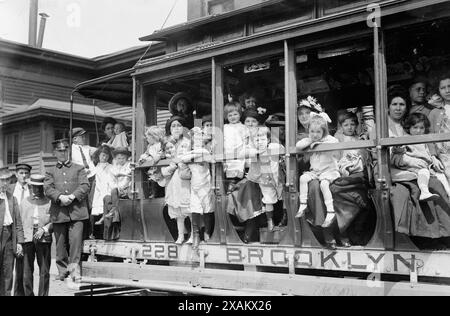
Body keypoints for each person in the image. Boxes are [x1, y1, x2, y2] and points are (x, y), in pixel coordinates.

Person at [44, 139, 90, 283]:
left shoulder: (79, 168)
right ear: (54, 153)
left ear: (68, 151)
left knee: (75, 243)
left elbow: (85, 185)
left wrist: (72, 196)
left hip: (77, 212)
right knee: (60, 244)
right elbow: (47, 188)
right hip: (59, 212)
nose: (62, 153)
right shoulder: (50, 170)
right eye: (59, 151)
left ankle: (74, 272)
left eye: (65, 150)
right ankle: (62, 271)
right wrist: (60, 197)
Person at [296, 115, 340, 229]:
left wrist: (319, 144)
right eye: (312, 131)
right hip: (316, 172)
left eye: (318, 132)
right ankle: (303, 204)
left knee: (324, 184)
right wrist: (311, 140)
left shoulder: (328, 139)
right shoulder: (309, 139)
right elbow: (298, 145)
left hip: (329, 171)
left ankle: (330, 212)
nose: (315, 134)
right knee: (303, 178)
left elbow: (336, 143)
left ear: (323, 132)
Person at [394, 113, 450, 201]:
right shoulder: (405, 139)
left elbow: (428, 153)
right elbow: (399, 153)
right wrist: (398, 148)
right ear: (409, 128)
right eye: (415, 127)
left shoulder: (424, 140)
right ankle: (424, 192)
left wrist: (433, 160)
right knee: (424, 172)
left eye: (421, 128)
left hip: (426, 166)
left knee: (442, 176)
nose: (418, 131)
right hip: (412, 166)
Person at [14, 175, 52, 296]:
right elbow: (18, 222)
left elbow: (56, 220)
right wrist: (19, 241)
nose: (37, 190)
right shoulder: (24, 202)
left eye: (40, 187)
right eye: (34, 187)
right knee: (27, 271)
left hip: (44, 238)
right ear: (31, 187)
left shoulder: (49, 202)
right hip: (27, 238)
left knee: (44, 271)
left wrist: (44, 229)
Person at [180, 127, 214, 250]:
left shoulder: (205, 151)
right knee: (195, 208)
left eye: (200, 138)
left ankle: (207, 233)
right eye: (195, 139)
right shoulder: (194, 151)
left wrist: (191, 157)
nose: (197, 141)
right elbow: (183, 158)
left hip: (205, 184)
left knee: (207, 208)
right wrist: (192, 156)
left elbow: (204, 155)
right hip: (194, 185)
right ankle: (196, 235)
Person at [247, 127, 284, 232]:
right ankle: (269, 220)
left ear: (268, 140)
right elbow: (244, 154)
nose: (260, 142)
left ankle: (285, 217)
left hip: (278, 178)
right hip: (265, 181)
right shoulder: (254, 153)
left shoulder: (273, 147)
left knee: (284, 197)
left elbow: (283, 149)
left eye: (263, 139)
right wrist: (254, 152)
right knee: (269, 200)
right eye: (257, 140)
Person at [0, 168, 24, 296]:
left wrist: (19, 242)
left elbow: (18, 222)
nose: (4, 183)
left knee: (8, 271)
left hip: (10, 237)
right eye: (2, 180)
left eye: (7, 180)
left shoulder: (12, 198)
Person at [90, 146, 116, 239]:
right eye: (103, 155)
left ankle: (106, 234)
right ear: (99, 155)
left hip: (107, 190)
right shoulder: (95, 167)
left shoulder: (111, 167)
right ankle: (96, 234)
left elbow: (112, 181)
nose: (104, 158)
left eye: (107, 156)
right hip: (98, 192)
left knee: (105, 211)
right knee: (97, 213)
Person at [429, 75, 450, 183]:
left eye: (449, 86)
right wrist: (433, 157)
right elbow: (429, 136)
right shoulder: (434, 113)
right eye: (443, 88)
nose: (447, 90)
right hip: (444, 157)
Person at [335, 112, 365, 177]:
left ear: (356, 125)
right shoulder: (339, 138)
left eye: (352, 124)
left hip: (356, 166)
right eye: (346, 125)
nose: (349, 127)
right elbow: (336, 157)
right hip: (343, 166)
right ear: (341, 126)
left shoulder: (358, 139)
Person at [223, 102, 247, 182]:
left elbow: (246, 141)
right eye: (230, 115)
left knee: (238, 175)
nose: (233, 117)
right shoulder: (225, 127)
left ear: (240, 114)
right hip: (228, 154)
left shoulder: (243, 127)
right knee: (229, 177)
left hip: (240, 154)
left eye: (235, 114)